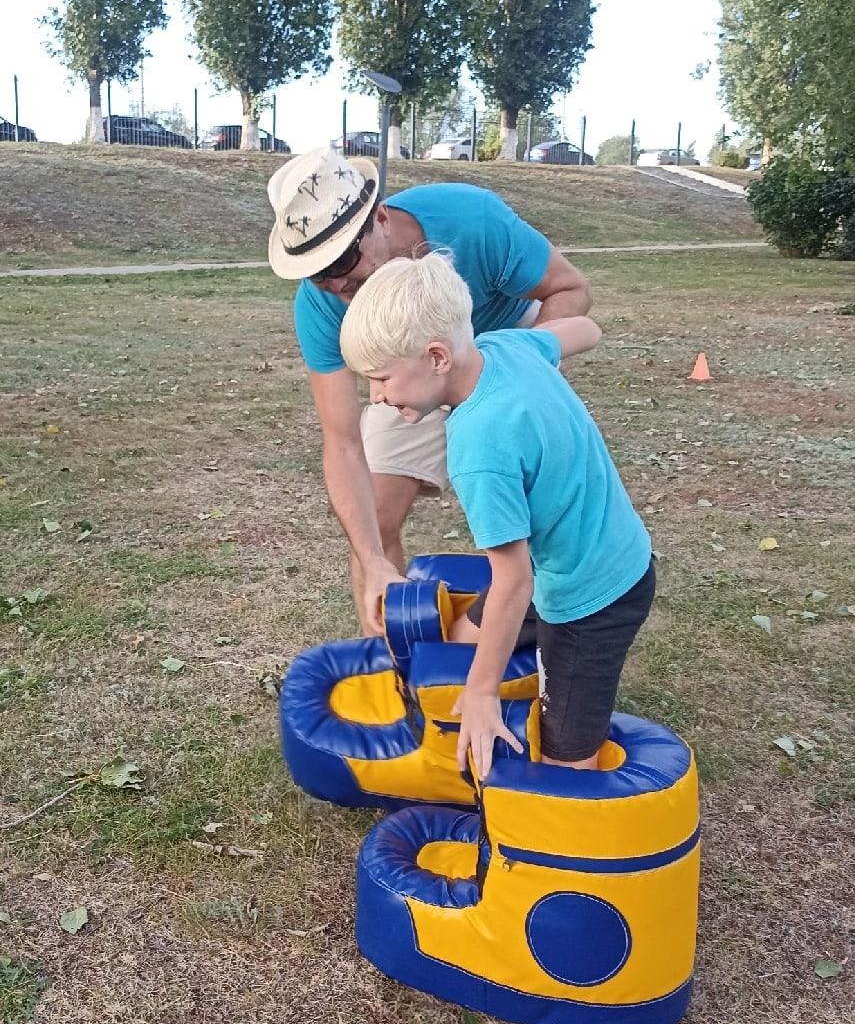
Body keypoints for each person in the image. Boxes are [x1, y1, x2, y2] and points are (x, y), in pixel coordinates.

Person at [338, 250, 654, 779]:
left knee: (565, 765)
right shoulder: (503, 347)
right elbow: (586, 330)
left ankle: (556, 748)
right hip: (566, 561)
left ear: (437, 357)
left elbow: (513, 580)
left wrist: (482, 693)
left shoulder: (478, 444)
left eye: (383, 379)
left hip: (591, 596)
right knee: (464, 636)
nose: (376, 398)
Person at [266, 147, 591, 635]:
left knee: (542, 518)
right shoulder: (322, 304)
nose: (336, 283)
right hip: (407, 373)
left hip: (498, 351)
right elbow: (342, 441)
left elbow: (570, 290)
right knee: (372, 522)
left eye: (344, 259)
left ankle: (551, 639)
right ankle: (393, 669)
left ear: (380, 217)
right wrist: (372, 558)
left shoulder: (472, 219)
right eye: (317, 272)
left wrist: (515, 369)